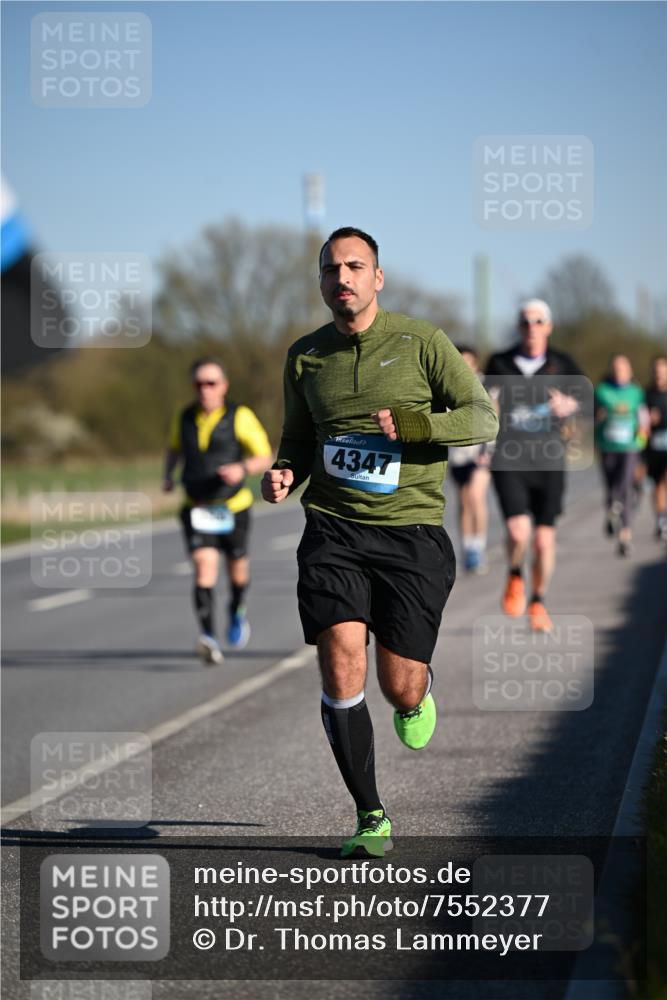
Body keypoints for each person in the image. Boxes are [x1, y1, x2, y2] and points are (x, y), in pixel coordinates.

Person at [261, 227, 498, 857]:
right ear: (320, 282)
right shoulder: (305, 356)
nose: (342, 278)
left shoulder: (422, 343)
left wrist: (417, 425)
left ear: (378, 278)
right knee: (341, 661)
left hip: (410, 533)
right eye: (330, 270)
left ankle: (417, 690)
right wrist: (287, 472)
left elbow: (482, 416)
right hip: (332, 529)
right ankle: (370, 815)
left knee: (401, 687)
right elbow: (299, 440)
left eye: (355, 266)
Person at [164, 357, 272, 664]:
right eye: (198, 384)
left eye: (211, 383)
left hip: (233, 506)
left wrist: (242, 468)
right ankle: (208, 637)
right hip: (196, 507)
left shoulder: (240, 416)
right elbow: (173, 447)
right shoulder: (184, 416)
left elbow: (263, 455)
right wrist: (167, 476)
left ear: (223, 386)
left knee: (237, 569)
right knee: (203, 568)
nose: (204, 390)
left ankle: (237, 608)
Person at [485, 299, 584, 633]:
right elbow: (482, 404)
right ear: (518, 326)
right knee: (517, 531)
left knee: (543, 541)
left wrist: (569, 405)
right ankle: (514, 575)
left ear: (549, 326)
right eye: (526, 321)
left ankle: (538, 600)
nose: (532, 327)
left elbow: (585, 402)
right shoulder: (499, 362)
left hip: (549, 460)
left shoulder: (563, 364)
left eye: (538, 321)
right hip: (509, 458)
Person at [595, 354, 650, 556]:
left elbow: (643, 419)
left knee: (625, 487)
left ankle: (624, 536)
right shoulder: (601, 391)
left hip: (630, 447)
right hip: (607, 446)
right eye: (615, 368)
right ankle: (612, 510)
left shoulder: (636, 393)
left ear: (629, 371)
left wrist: (641, 441)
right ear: (611, 370)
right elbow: (590, 416)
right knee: (611, 487)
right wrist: (597, 418)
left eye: (622, 368)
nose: (619, 371)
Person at [447, 345, 492, 574]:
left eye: (469, 361)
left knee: (475, 496)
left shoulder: (486, 386)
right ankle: (467, 550)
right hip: (457, 453)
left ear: (475, 364)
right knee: (464, 500)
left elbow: (496, 417)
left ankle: (479, 547)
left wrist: (489, 451)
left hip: (481, 452)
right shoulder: (447, 385)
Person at [643, 355, 667, 541]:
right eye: (656, 371)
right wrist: (648, 421)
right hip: (653, 448)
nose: (659, 375)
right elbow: (640, 421)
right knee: (657, 486)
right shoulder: (647, 395)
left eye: (662, 371)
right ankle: (661, 520)